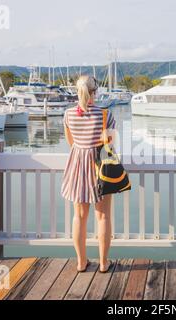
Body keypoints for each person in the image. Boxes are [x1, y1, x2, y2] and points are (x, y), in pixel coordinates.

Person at [61, 75, 115, 273]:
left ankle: (81, 262)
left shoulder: (68, 114)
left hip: (78, 168)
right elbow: (109, 144)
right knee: (103, 217)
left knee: (79, 217)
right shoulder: (105, 114)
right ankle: (103, 263)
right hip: (100, 168)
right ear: (95, 92)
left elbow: (71, 143)